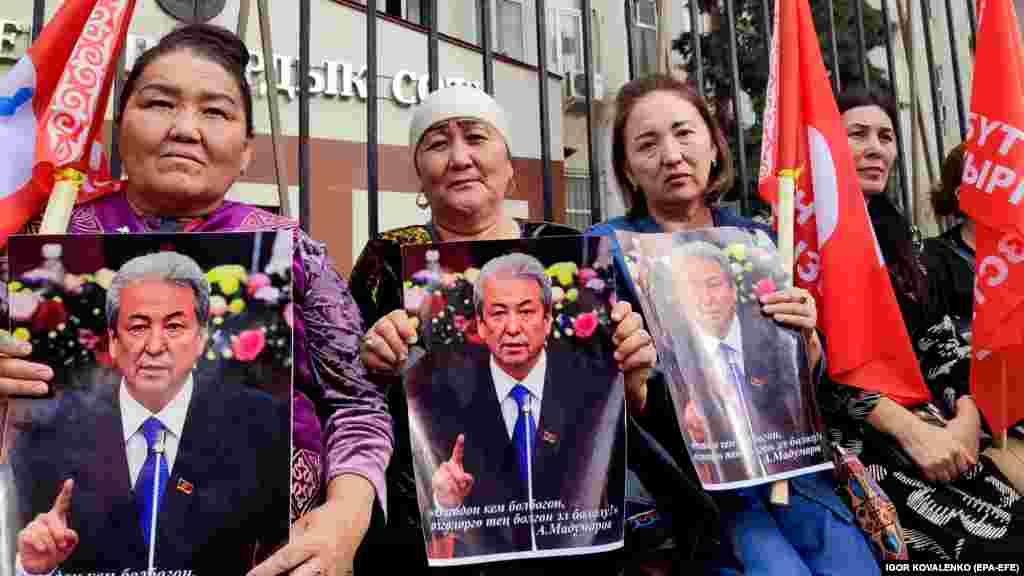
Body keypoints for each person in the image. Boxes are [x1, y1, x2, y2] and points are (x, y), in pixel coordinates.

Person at [0, 24, 390, 576]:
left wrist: (347, 514)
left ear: (248, 148)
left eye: (216, 112)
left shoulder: (293, 252)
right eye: (159, 103)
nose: (185, 129)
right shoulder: (42, 247)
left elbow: (357, 404)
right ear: (119, 126)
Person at [349, 85, 657, 574]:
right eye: (436, 144)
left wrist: (635, 377)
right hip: (437, 514)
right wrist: (375, 361)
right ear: (419, 176)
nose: (459, 157)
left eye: (475, 137)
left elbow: (622, 411)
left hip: (569, 513)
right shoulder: (387, 259)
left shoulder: (566, 252)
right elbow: (350, 396)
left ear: (510, 165)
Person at [588, 74, 879, 575]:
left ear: (714, 146)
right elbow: (601, 395)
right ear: (629, 169)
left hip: (788, 465)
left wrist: (804, 336)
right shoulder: (605, 249)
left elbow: (807, 381)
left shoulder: (758, 237)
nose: (672, 154)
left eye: (684, 133)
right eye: (648, 143)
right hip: (695, 476)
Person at [822, 85, 1024, 561]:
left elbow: (939, 343)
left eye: (886, 136)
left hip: (937, 425)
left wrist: (966, 420)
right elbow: (814, 370)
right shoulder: (800, 240)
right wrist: (911, 431)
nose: (875, 148)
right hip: (861, 441)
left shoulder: (904, 240)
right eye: (857, 134)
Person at [12, 251, 289, 575]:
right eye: (139, 327)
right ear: (113, 342)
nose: (155, 346)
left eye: (174, 326)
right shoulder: (50, 434)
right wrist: (36, 569)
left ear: (200, 339)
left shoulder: (262, 426)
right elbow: (25, 553)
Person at [410, 252, 623, 558]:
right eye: (498, 314)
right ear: (480, 326)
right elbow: (441, 537)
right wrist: (445, 504)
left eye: (526, 312)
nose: (512, 328)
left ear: (547, 320)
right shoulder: (444, 401)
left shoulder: (593, 391)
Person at [661, 242, 808, 484]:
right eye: (692, 289)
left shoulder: (776, 336)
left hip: (791, 471)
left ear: (733, 290)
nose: (706, 299)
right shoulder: (669, 349)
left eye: (713, 285)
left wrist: (809, 338)